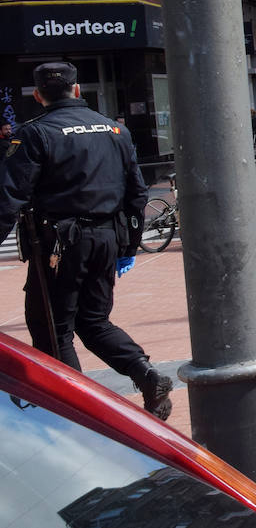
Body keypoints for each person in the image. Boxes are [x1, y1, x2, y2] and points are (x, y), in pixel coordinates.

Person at [0, 62, 174, 420]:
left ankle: (80, 414)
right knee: (93, 320)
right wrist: (128, 245)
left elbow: (9, 197)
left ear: (38, 95)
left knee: (52, 328)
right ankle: (146, 374)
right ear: (77, 89)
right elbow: (137, 193)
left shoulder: (35, 133)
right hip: (106, 240)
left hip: (60, 245)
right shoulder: (115, 129)